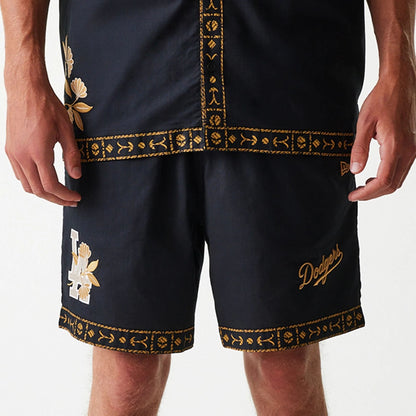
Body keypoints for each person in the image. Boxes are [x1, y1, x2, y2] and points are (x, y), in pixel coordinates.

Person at [1, 0, 415, 414]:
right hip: (119, 76)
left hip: (289, 73)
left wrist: (400, 68)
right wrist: (22, 77)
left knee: (285, 365)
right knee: (126, 369)